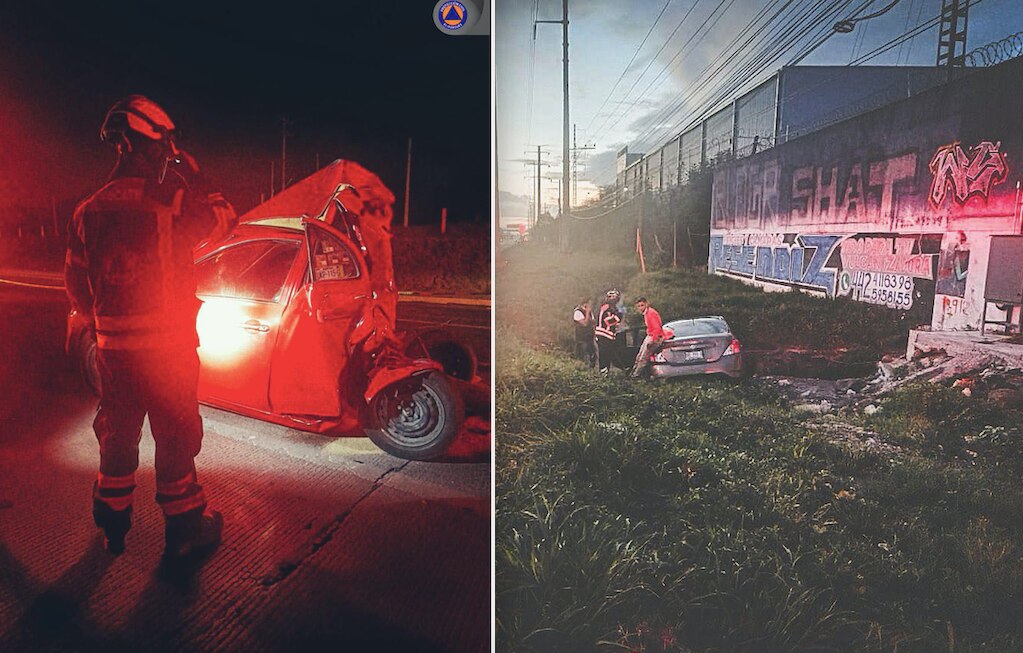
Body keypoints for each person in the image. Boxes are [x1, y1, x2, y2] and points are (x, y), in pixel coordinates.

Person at [65, 95, 236, 560]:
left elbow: (76, 285)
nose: (164, 161)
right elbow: (224, 218)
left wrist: (104, 326)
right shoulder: (172, 201)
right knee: (176, 435)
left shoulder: (87, 211)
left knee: (117, 435)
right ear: (145, 147)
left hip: (115, 356)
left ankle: (113, 524)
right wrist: (195, 173)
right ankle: (184, 528)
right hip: (167, 354)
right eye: (162, 151)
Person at [630, 297, 665, 378]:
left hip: (655, 337)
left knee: (643, 357)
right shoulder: (646, 313)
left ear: (646, 304)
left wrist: (653, 340)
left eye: (642, 305)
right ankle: (633, 373)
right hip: (650, 335)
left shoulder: (651, 313)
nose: (640, 308)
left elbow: (657, 328)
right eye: (638, 306)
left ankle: (636, 376)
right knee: (639, 356)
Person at [594, 289, 624, 375]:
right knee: (604, 355)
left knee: (608, 355)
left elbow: (615, 324)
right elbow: (608, 322)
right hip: (603, 335)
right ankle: (603, 374)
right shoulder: (606, 307)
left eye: (614, 297)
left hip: (608, 336)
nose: (613, 299)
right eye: (611, 297)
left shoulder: (613, 308)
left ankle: (606, 373)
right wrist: (618, 317)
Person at [572, 298, 595, 366]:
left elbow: (593, 321)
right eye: (590, 304)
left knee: (593, 355)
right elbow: (585, 323)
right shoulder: (578, 312)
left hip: (590, 338)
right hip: (582, 339)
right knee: (583, 356)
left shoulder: (590, 312)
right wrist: (587, 312)